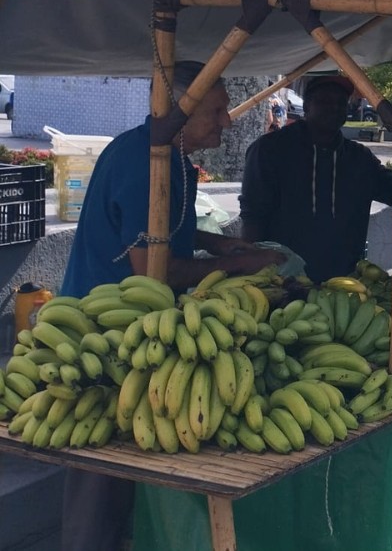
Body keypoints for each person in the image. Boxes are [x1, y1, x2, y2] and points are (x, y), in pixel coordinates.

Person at [59, 61, 287, 551]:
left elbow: (167, 231)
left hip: (142, 331)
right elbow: (154, 270)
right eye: (217, 110)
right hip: (100, 336)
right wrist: (243, 264)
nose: (227, 121)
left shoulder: (173, 159)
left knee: (132, 465)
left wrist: (215, 243)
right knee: (101, 473)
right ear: (180, 111)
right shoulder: (145, 163)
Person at [239, 75, 392, 283]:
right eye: (324, 101)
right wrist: (253, 273)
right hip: (280, 277)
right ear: (308, 106)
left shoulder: (358, 158)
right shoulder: (270, 150)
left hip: (344, 280)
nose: (333, 108)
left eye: (340, 103)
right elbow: (252, 214)